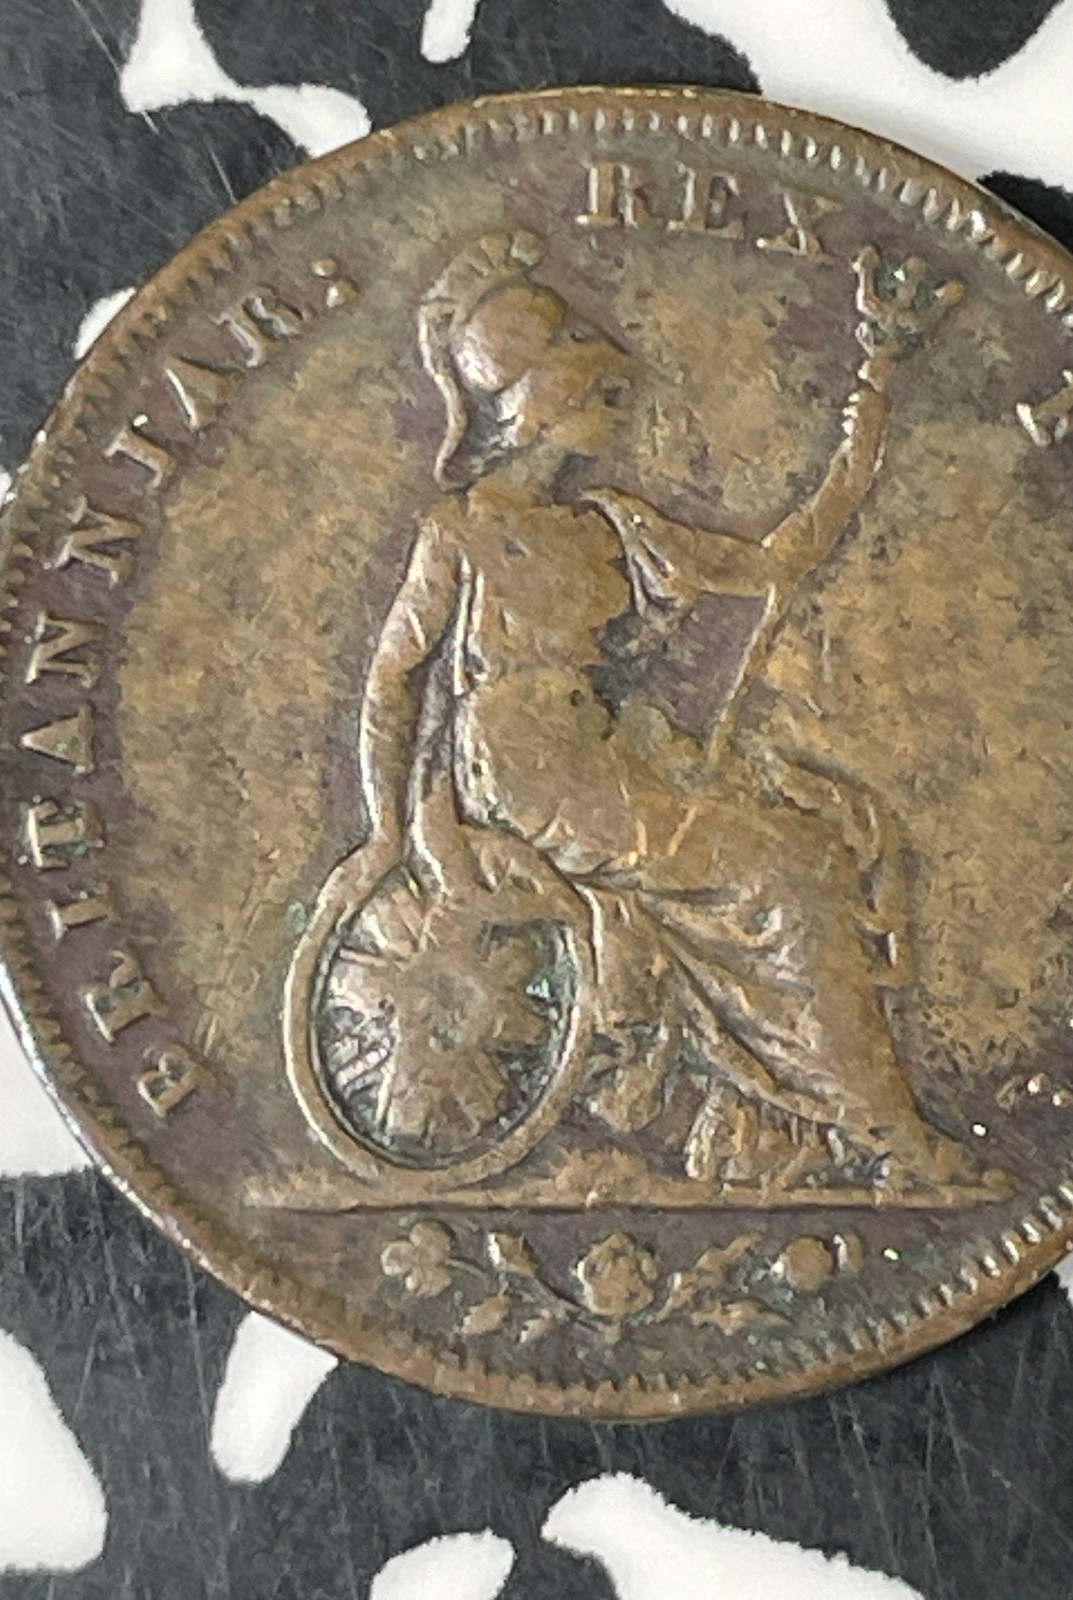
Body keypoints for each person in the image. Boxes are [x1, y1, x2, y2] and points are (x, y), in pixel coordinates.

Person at [329, 229, 984, 1196]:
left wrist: (875, 388)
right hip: (525, 774)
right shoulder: (459, 531)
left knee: (823, 836)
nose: (614, 385)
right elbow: (395, 679)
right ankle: (888, 1134)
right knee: (785, 875)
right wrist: (390, 833)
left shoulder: (613, 526)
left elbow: (779, 563)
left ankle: (794, 1124)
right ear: (530, 400)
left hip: (606, 760)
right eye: (584, 372)